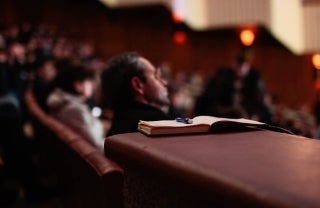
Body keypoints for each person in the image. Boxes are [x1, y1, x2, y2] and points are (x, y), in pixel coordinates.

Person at [100, 52, 173, 136]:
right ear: (138, 85)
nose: (164, 82)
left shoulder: (116, 128)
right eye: (155, 76)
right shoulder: (159, 125)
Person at [47, 63, 105, 151]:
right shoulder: (74, 110)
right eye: (89, 81)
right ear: (78, 86)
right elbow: (97, 144)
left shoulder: (65, 102)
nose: (92, 86)